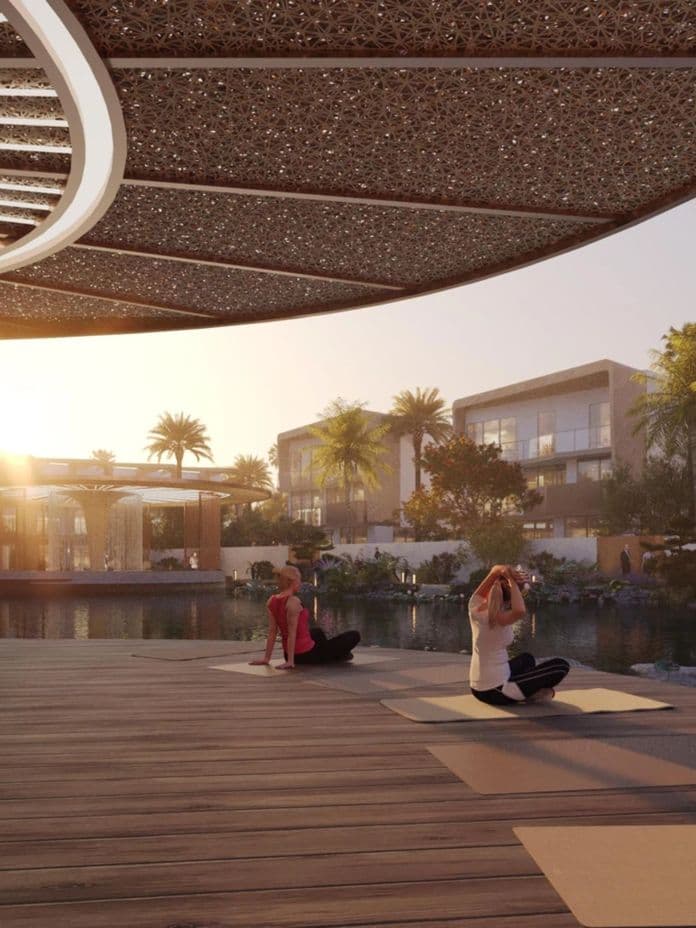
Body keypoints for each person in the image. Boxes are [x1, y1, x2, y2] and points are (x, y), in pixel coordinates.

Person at [468, 564, 569, 705]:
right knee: (561, 666)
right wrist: (512, 580)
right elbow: (520, 610)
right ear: (508, 601)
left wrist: (506, 573)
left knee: (527, 659)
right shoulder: (499, 619)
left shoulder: (474, 607)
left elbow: (494, 570)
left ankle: (526, 689)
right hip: (495, 690)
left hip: (477, 686)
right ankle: (528, 694)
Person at [249, 565, 360, 669]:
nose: (301, 583)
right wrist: (291, 662)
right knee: (354, 635)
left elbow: (272, 632)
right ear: (293, 582)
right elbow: (292, 634)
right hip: (305, 654)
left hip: (289, 653)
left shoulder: (272, 600)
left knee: (317, 632)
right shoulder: (293, 602)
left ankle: (331, 653)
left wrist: (267, 658)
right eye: (299, 580)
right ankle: (335, 655)